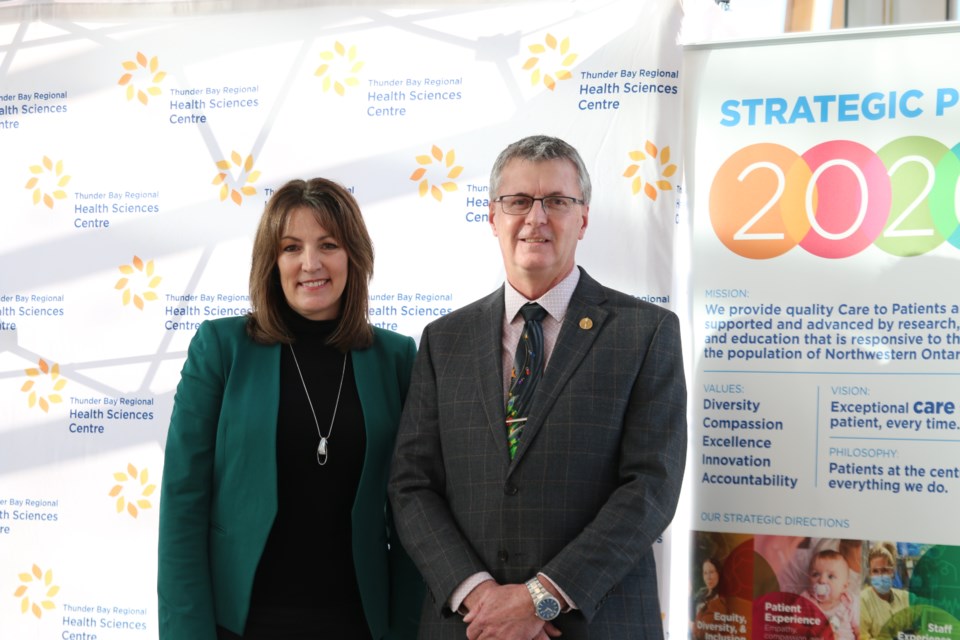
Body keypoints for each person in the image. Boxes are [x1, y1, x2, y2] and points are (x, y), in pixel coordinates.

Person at [389, 135, 687, 639]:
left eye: (557, 201)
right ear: (492, 216)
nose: (536, 217)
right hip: (470, 625)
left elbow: (650, 489)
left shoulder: (645, 332)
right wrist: (480, 594)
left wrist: (541, 599)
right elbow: (411, 485)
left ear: (584, 218)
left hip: (594, 623)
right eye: (519, 201)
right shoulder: (444, 340)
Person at [158, 178, 423, 640]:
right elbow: (183, 503)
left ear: (353, 257)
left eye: (328, 244)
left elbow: (410, 510)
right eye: (291, 247)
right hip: (240, 624)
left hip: (357, 623)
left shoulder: (396, 357)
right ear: (271, 261)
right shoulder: (221, 348)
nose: (310, 263)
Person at [801, 550, 858, 640]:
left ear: (844, 586)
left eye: (831, 576)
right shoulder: (806, 600)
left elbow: (859, 631)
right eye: (816, 574)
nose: (822, 580)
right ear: (809, 580)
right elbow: (793, 626)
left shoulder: (850, 602)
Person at [860, 542, 909, 640]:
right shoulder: (862, 601)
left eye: (884, 570)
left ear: (892, 572)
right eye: (875, 571)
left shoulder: (905, 597)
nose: (880, 576)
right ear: (870, 574)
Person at [692, 557, 728, 640]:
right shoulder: (700, 594)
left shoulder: (721, 598)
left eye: (711, 572)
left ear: (718, 573)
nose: (708, 577)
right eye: (705, 573)